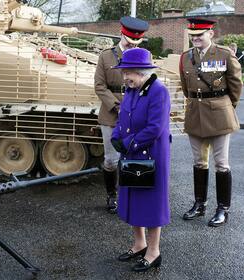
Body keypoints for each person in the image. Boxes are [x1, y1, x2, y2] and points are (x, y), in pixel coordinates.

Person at [111, 48, 171, 272]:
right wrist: (117, 136)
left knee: (151, 203)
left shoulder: (159, 91)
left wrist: (128, 143)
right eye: (124, 72)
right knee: (133, 198)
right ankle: (139, 244)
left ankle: (153, 251)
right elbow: (122, 117)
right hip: (132, 152)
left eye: (129, 73)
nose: (125, 77)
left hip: (150, 154)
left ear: (143, 71)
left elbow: (155, 128)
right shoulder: (131, 90)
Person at [180, 18, 242, 227]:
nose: (196, 38)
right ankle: (200, 204)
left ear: (211, 34)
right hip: (195, 113)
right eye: (193, 35)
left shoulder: (224, 53)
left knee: (221, 164)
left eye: (200, 34)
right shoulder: (186, 58)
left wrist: (226, 106)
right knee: (199, 162)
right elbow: (185, 86)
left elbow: (235, 84)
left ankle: (223, 208)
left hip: (219, 113)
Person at [94, 16, 149, 213]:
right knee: (111, 159)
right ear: (121, 32)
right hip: (112, 114)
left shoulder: (144, 55)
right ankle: (111, 195)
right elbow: (99, 86)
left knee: (134, 156)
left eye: (136, 41)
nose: (132, 44)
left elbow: (149, 84)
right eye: (129, 40)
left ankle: (133, 195)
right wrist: (118, 106)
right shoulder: (106, 56)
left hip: (137, 115)